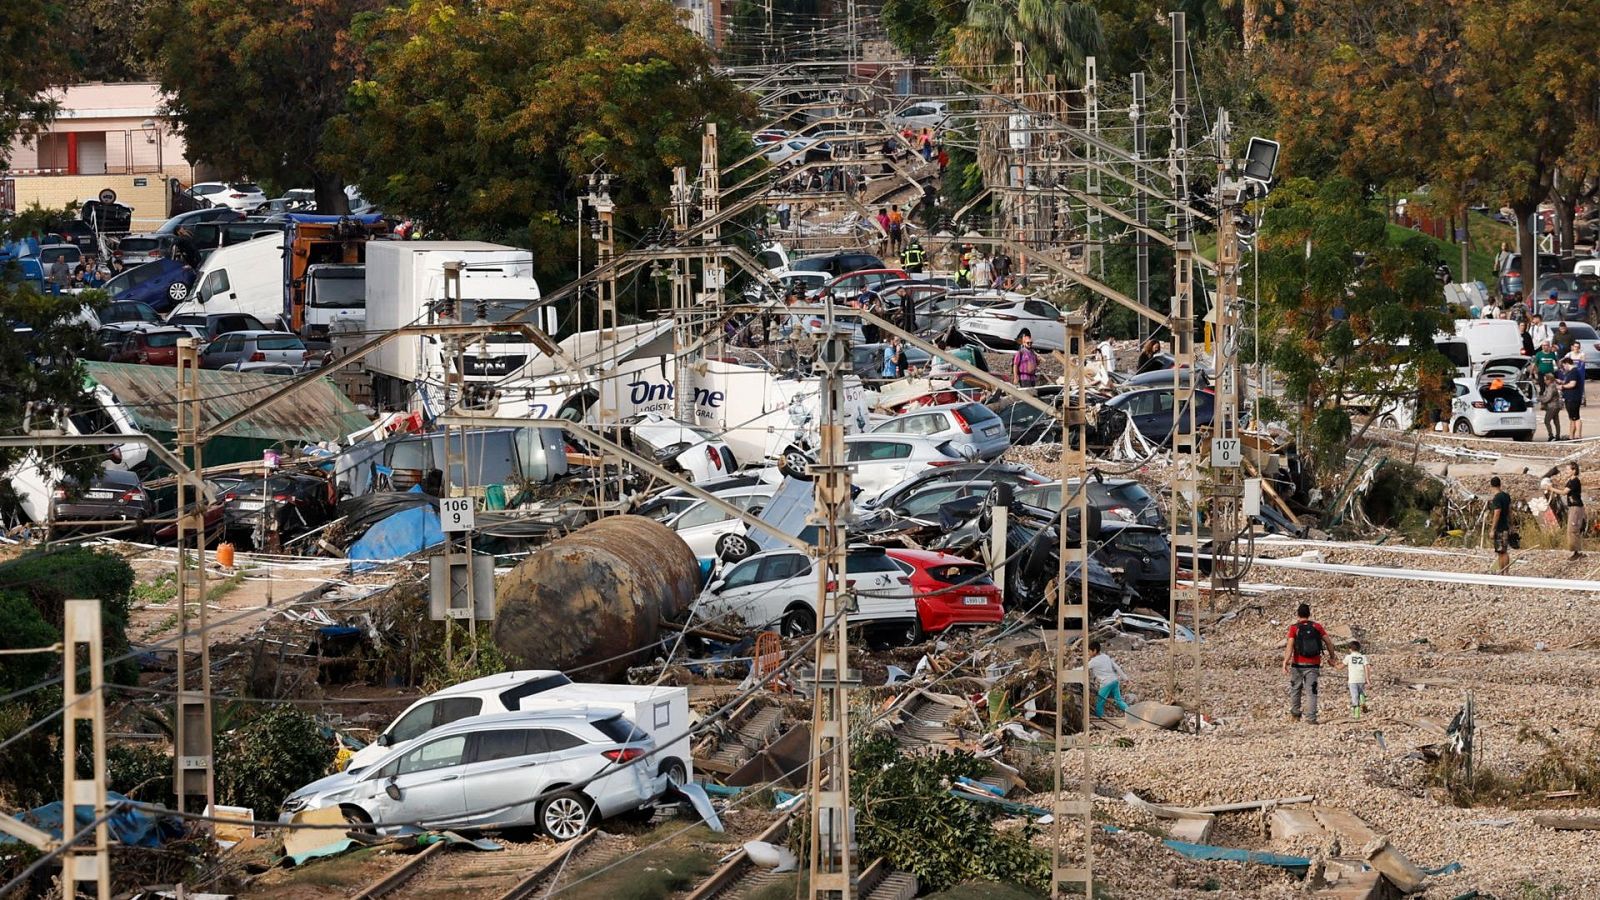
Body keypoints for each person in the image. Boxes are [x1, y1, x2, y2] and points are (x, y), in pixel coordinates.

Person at [1282, 602, 1336, 724]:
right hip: (1313, 664)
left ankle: (1295, 715)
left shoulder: (1294, 628)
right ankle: (1311, 719)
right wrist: (1332, 657)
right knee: (1312, 691)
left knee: (1296, 688)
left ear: (1298, 614)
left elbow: (1290, 645)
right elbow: (1329, 642)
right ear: (1309, 614)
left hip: (1297, 664)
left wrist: (1285, 661)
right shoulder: (1317, 627)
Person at [1086, 640, 1130, 717]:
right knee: (1119, 701)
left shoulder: (1093, 661)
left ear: (1095, 651)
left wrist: (1071, 672)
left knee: (1100, 701)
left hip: (1106, 683)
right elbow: (1117, 667)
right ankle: (1131, 714)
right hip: (1115, 681)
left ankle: (1100, 718)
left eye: (1089, 651)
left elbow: (1083, 669)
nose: (1088, 653)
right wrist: (1125, 678)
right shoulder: (1106, 657)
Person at [1489, 475, 1513, 573]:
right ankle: (1505, 572)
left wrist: (1492, 529)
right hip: (1506, 526)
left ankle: (1503, 572)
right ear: (1500, 484)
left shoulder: (1497, 498)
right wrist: (1511, 525)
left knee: (1500, 551)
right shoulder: (1506, 496)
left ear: (1491, 486)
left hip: (1500, 528)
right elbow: (1510, 511)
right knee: (1504, 551)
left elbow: (1497, 513)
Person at [1342, 640, 1371, 720]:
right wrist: (1368, 679)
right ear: (1359, 649)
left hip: (1352, 680)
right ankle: (1363, 702)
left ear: (1350, 649)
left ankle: (1357, 714)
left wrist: (1333, 664)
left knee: (1354, 696)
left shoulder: (1348, 657)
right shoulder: (1363, 657)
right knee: (1361, 692)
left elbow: (1341, 666)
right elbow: (1367, 667)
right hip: (1361, 678)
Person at [1562, 358, 1585, 440]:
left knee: (1576, 417)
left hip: (1573, 397)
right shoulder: (1571, 373)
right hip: (1570, 397)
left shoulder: (1573, 372)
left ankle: (1579, 435)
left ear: (1567, 363)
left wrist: (1562, 386)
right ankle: (1571, 436)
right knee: (1572, 418)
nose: (1564, 368)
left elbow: (1572, 384)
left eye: (1564, 366)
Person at [1566, 462, 1585, 559]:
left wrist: (1551, 488)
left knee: (1573, 530)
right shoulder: (1570, 481)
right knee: (1570, 530)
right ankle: (1575, 552)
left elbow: (1564, 491)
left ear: (1574, 470)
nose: (1566, 471)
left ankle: (1577, 553)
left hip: (1576, 507)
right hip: (1572, 507)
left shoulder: (1575, 481)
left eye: (1568, 469)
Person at [1541, 371, 1563, 441]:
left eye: (1545, 380)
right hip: (1556, 406)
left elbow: (1548, 398)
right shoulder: (1554, 385)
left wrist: (1539, 399)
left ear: (1549, 380)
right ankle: (1558, 436)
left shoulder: (1551, 387)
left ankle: (1551, 436)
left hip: (1552, 406)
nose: (1544, 381)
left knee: (1547, 421)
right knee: (1556, 421)